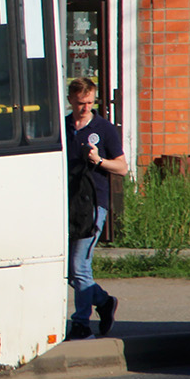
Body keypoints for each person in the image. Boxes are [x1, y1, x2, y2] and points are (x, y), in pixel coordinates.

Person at [65, 77, 128, 340]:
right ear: (71, 100)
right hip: (67, 203)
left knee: (80, 265)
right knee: (69, 270)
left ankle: (81, 324)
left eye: (90, 103)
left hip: (93, 204)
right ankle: (103, 301)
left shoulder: (103, 128)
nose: (85, 108)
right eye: (81, 103)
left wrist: (99, 160)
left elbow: (122, 167)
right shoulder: (62, 126)